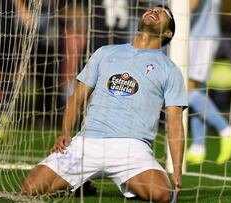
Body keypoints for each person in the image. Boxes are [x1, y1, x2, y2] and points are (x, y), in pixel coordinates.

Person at [21, 5, 188, 202]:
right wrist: (65, 132)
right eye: (152, 8)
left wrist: (177, 169)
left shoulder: (170, 69)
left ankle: (125, 181)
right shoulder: (105, 52)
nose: (154, 11)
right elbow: (77, 98)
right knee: (30, 189)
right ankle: (79, 184)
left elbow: (175, 123)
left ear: (168, 32)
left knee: (163, 195)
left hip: (131, 148)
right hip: (87, 144)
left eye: (163, 13)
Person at [186, 0, 231, 165]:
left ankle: (226, 130)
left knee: (186, 90)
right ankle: (198, 147)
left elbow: (189, 6)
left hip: (200, 37)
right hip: (199, 35)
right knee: (197, 91)